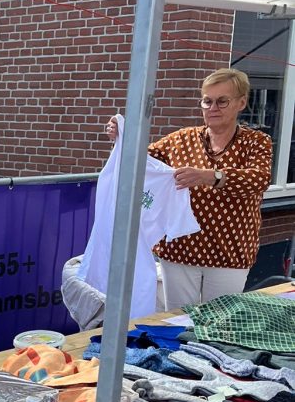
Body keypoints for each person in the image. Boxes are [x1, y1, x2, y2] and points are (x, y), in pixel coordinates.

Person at [106, 68, 272, 310]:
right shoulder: (180, 139)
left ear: (241, 103)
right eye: (207, 101)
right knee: (178, 319)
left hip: (230, 252)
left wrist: (210, 176)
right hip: (179, 250)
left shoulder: (256, 142)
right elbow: (138, 161)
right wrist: (121, 138)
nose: (213, 108)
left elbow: (259, 179)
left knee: (221, 321)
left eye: (222, 101)